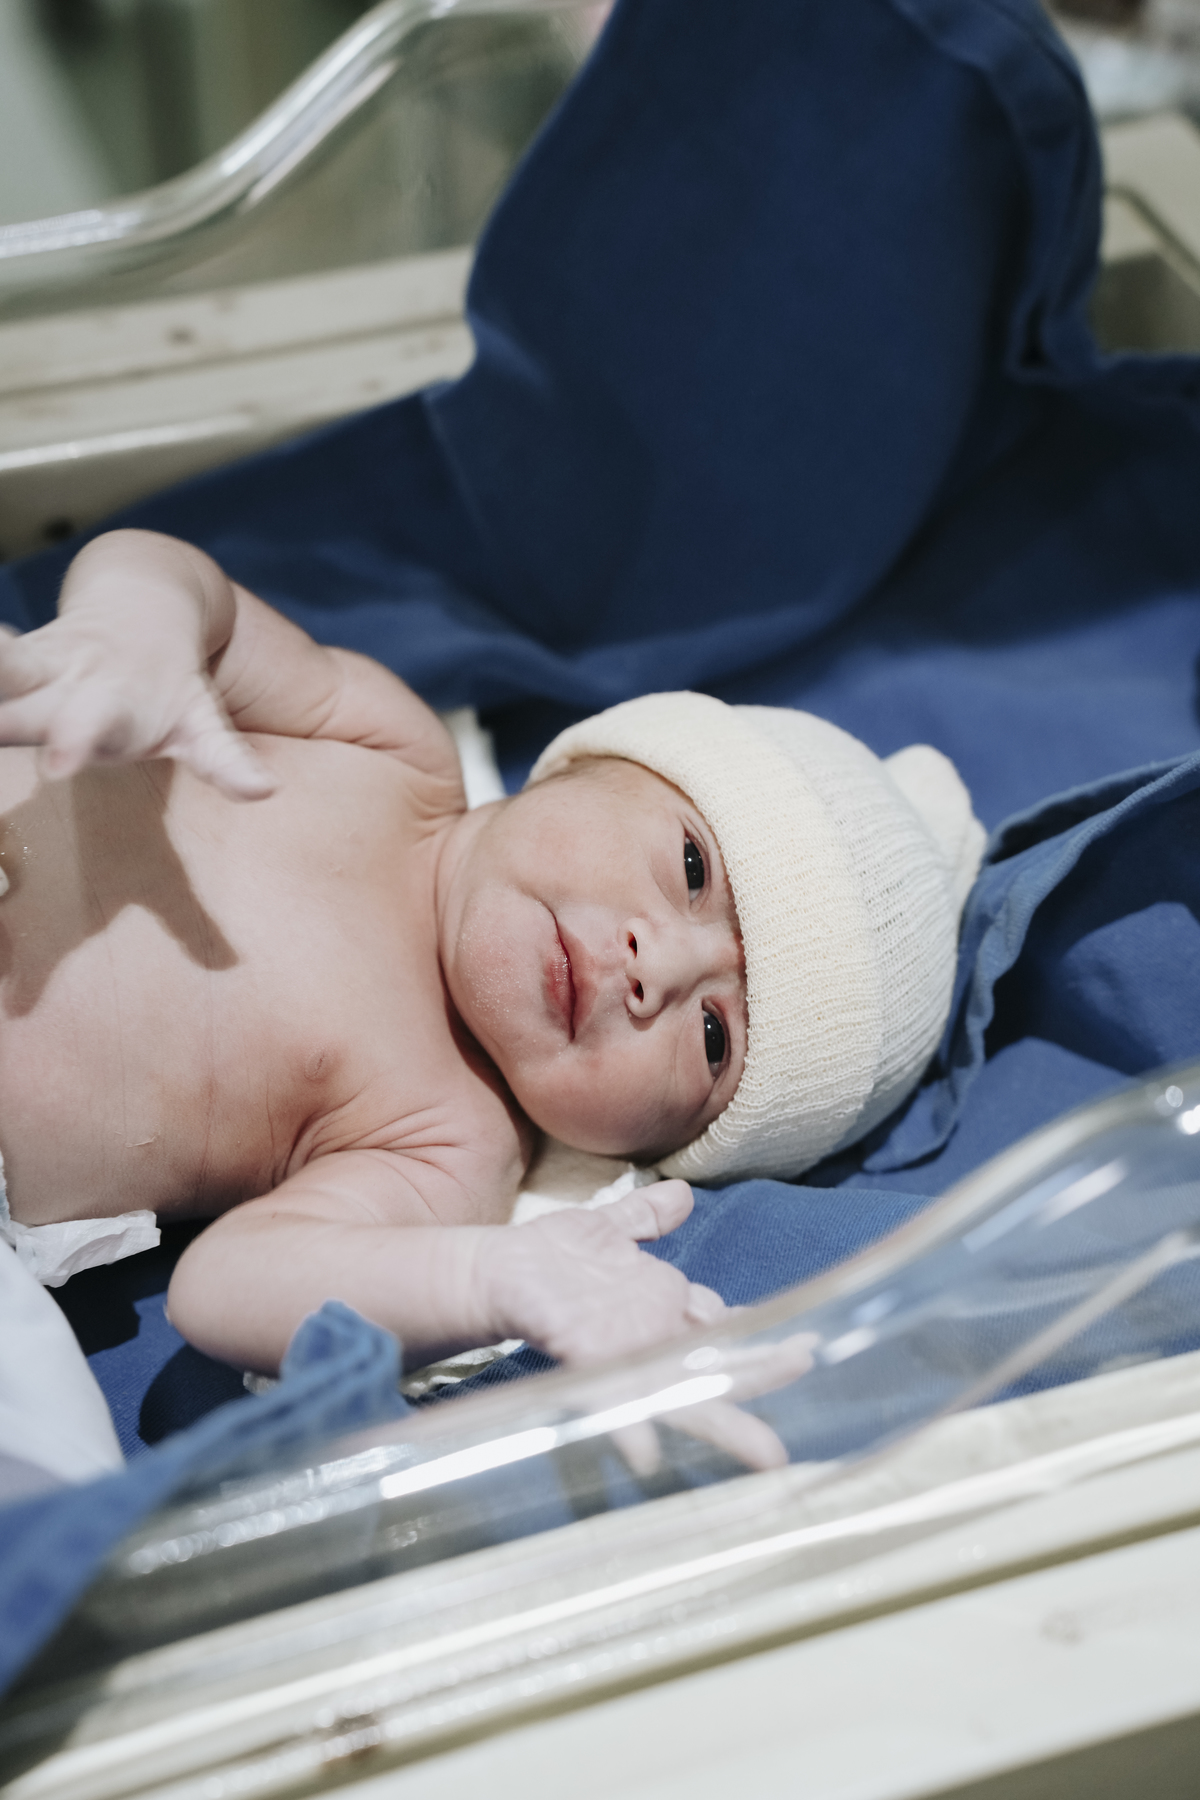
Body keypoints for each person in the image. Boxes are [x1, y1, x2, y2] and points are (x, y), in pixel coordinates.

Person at [0, 529, 983, 1379]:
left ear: (654, 1145)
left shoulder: (452, 1141)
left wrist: (488, 1280)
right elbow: (186, 587)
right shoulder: (386, 750)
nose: (658, 969)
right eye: (692, 867)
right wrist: (135, 628)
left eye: (715, 1036)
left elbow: (224, 1288)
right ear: (601, 759)